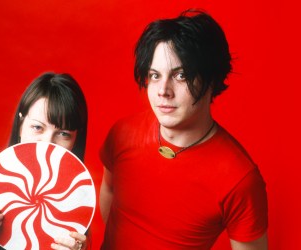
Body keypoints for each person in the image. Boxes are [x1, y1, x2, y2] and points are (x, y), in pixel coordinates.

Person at [99, 9, 268, 249]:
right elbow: (108, 192)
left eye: (180, 75)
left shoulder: (240, 178)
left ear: (211, 80)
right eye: (155, 75)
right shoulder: (123, 132)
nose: (163, 91)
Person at [0, 72, 90, 250]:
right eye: (37, 127)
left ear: (75, 140)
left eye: (63, 134)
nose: (47, 142)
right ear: (20, 126)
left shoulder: (78, 200)